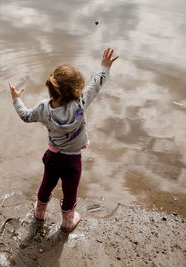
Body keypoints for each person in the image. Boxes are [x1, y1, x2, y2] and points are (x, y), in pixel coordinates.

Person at [9, 48, 118, 232]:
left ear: (51, 88)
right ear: (76, 90)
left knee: (46, 185)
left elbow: (26, 116)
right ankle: (68, 222)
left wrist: (16, 100)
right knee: (70, 192)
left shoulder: (44, 108)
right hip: (73, 161)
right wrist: (105, 67)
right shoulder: (81, 104)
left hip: (52, 158)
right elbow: (96, 85)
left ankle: (39, 212)